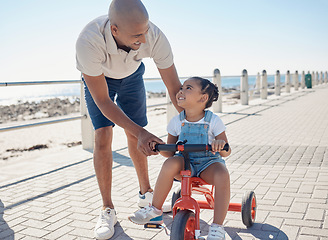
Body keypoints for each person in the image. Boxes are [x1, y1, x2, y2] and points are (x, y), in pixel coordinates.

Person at [75, 0, 182, 239]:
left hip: (132, 76)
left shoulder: (153, 35)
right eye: (136, 35)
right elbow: (103, 102)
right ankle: (107, 209)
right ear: (115, 29)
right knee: (103, 134)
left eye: (145, 31)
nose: (144, 40)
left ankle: (146, 195)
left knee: (135, 131)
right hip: (100, 80)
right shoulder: (88, 42)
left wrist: (192, 123)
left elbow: (175, 88)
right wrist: (142, 134)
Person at [129, 77, 232, 240]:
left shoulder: (213, 121)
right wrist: (159, 147)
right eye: (182, 87)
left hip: (208, 164)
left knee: (222, 174)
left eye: (188, 88)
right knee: (170, 162)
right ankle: (155, 210)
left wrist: (220, 144)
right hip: (185, 164)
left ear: (203, 98)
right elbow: (170, 152)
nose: (180, 91)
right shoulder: (177, 121)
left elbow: (227, 151)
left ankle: (217, 227)